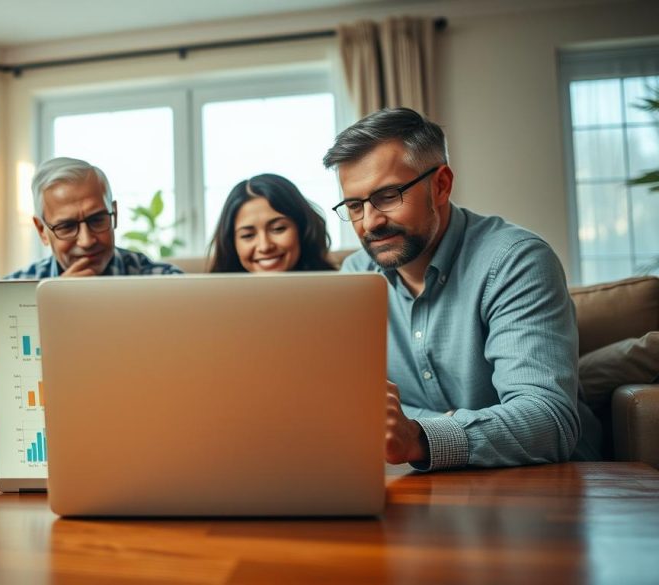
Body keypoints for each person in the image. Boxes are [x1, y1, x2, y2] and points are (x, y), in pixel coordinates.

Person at [324, 107, 601, 470]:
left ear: (440, 184)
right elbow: (349, 407)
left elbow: (548, 420)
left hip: (543, 486)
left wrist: (420, 436)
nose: (370, 222)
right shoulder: (356, 276)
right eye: (355, 205)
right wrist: (431, 429)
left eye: (389, 196)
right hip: (416, 483)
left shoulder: (517, 261)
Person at [0, 157, 182, 411]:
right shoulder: (9, 298)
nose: (87, 240)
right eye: (67, 226)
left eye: (98, 219)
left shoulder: (167, 284)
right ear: (42, 231)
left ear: (115, 214)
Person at [209, 173, 335, 273]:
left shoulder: (338, 290)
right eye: (247, 235)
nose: (264, 247)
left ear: (303, 229)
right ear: (232, 243)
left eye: (278, 228)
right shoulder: (210, 300)